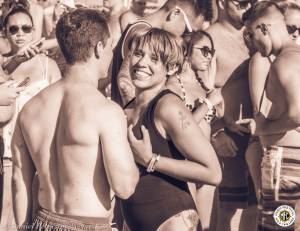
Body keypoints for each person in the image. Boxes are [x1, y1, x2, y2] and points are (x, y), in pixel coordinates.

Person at [11, 8, 139, 230]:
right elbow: (125, 186)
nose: (112, 54)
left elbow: (18, 180)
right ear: (99, 48)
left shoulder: (30, 109)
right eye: (111, 46)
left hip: (43, 222)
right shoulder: (106, 111)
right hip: (88, 224)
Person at [121, 27, 221, 231]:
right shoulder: (127, 108)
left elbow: (213, 173)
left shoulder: (168, 107)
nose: (142, 63)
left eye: (154, 59)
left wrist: (151, 161)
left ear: (171, 68)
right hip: (135, 221)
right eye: (139, 54)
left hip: (173, 221)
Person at [0, 5, 61, 229]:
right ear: (5, 32)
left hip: (42, 147)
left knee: (42, 204)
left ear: (34, 31)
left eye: (26, 28)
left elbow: (60, 107)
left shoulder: (48, 66)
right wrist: (14, 61)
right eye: (13, 29)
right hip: (8, 149)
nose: (20, 34)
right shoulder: (2, 65)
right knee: (6, 207)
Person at [241, 1, 300, 230]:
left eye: (250, 34)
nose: (250, 41)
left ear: (264, 28)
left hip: (284, 167)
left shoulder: (284, 62)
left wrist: (261, 127)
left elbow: (297, 114)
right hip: (292, 164)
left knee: (278, 227)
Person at [205, 0, 258, 230]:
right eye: (241, 2)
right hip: (227, 140)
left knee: (257, 208)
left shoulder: (256, 34)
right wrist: (215, 133)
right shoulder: (209, 39)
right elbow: (198, 92)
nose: (247, 5)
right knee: (227, 211)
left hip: (257, 138)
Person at [166, 30, 223, 231]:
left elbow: (219, 116)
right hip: (187, 164)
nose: (209, 56)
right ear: (187, 52)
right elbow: (180, 128)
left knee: (207, 227)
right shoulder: (173, 85)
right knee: (189, 225)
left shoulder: (202, 85)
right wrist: (207, 104)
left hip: (208, 163)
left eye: (212, 52)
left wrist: (209, 85)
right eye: (204, 50)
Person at [111, 0, 206, 107]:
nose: (188, 38)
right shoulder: (145, 35)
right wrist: (140, 116)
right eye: (188, 30)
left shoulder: (139, 28)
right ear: (175, 13)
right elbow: (125, 83)